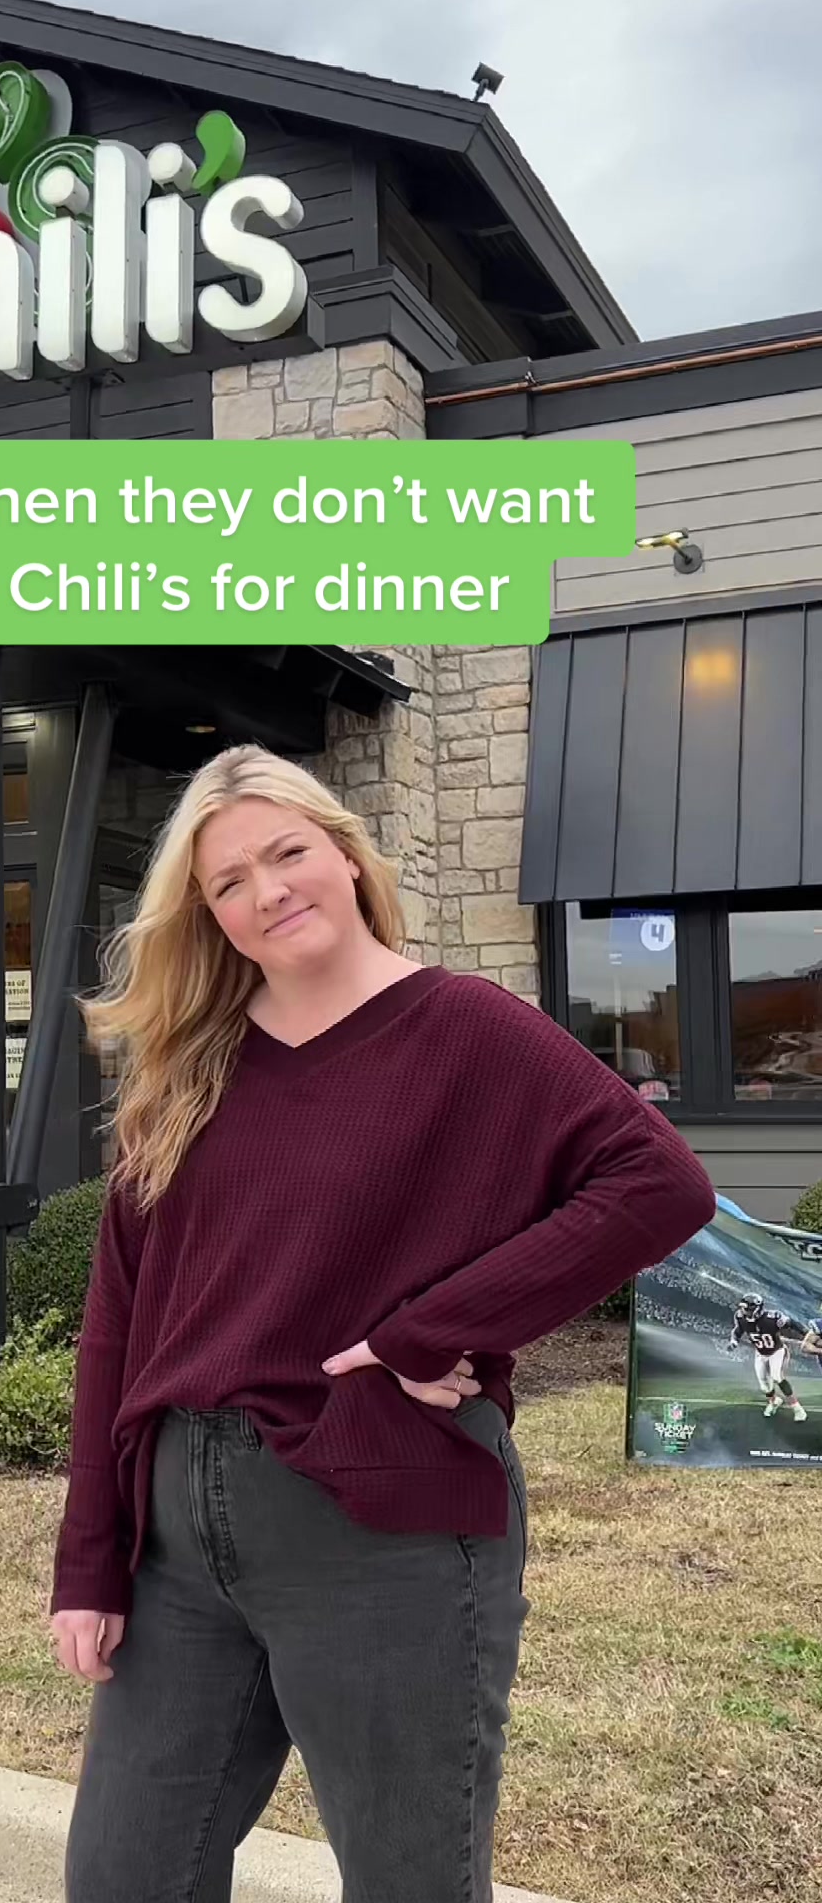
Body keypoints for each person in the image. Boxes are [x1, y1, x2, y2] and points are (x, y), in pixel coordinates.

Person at [49, 744, 717, 1903]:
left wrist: (433, 1329)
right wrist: (88, 1561)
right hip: (178, 1541)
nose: (268, 891)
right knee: (123, 1877)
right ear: (208, 915)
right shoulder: (193, 1065)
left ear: (347, 855)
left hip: (382, 1529)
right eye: (229, 882)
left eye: (288, 853)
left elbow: (657, 1184)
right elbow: (119, 1322)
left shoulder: (464, 1028)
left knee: (411, 1883)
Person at [726, 1293, 808, 1419]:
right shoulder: (740, 1316)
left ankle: (797, 1408)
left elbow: (792, 1323)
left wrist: (807, 1334)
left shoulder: (772, 1317)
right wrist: (734, 1341)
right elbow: (738, 1330)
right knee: (764, 1386)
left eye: (747, 1309)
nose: (744, 1311)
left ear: (757, 1308)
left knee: (777, 1377)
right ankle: (774, 1401)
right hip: (760, 1353)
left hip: (777, 1351)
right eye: (743, 1308)